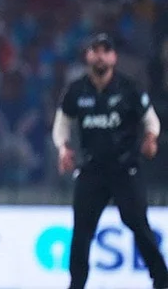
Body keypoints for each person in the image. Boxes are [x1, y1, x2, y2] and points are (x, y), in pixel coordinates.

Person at [52, 33, 167, 289]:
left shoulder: (129, 88)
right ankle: (77, 284)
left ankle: (161, 279)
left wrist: (150, 138)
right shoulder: (77, 90)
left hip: (125, 168)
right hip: (92, 169)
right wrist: (63, 148)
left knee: (138, 224)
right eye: (96, 50)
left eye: (106, 51)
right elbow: (62, 123)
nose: (101, 55)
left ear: (114, 57)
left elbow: (151, 120)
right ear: (88, 56)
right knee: (82, 231)